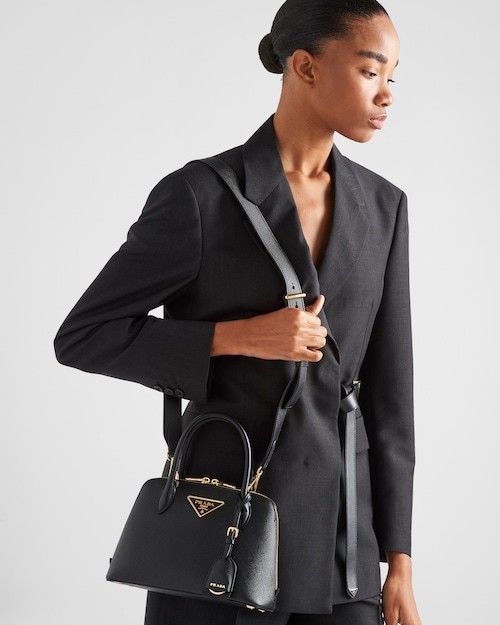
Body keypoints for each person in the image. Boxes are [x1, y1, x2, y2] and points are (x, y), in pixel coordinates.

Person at [53, 1, 422, 624]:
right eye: (369, 71)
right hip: (220, 534)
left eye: (393, 77)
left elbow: (390, 398)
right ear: (305, 66)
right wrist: (239, 337)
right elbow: (84, 335)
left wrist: (400, 562)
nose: (387, 94)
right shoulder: (200, 195)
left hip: (345, 551)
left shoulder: (385, 207)